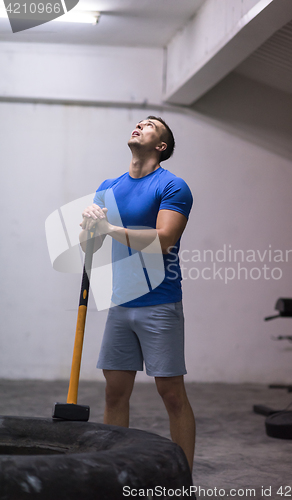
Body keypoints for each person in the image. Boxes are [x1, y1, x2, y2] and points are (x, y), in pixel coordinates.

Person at [79, 116, 195, 470]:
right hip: (121, 303)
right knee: (114, 393)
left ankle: (183, 479)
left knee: (171, 394)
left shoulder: (174, 186)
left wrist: (109, 227)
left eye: (150, 126)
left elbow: (162, 240)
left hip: (160, 303)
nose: (139, 126)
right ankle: (115, 474)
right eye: (139, 123)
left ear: (161, 146)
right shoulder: (109, 186)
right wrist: (88, 226)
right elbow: (89, 248)